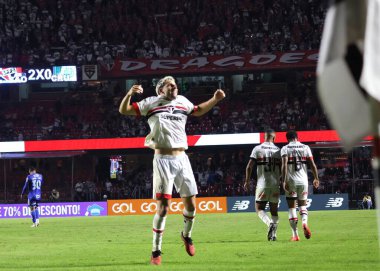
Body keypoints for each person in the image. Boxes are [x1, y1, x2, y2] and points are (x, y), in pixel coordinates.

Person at [119, 76, 225, 265]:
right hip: (162, 159)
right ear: (161, 89)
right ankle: (156, 251)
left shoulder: (183, 101)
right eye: (169, 84)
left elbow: (198, 110)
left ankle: (186, 235)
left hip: (182, 159)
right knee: (163, 208)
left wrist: (215, 99)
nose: (173, 85)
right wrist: (129, 94)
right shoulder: (151, 103)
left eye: (174, 83)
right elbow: (124, 109)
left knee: (192, 206)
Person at [281, 130, 319, 241]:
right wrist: (316, 178)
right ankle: (304, 223)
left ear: (287, 139)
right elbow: (312, 164)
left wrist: (284, 181)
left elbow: (284, 165)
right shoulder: (305, 147)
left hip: (291, 181)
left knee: (292, 207)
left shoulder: (285, 149)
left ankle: (295, 235)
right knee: (303, 205)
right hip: (303, 181)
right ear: (297, 137)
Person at [244, 129, 281, 241]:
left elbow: (249, 166)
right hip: (275, 184)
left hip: (262, 184)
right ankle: (273, 235)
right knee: (274, 211)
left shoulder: (258, 148)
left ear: (264, 137)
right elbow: (284, 168)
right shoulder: (279, 150)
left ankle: (269, 223)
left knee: (259, 209)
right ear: (274, 138)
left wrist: (247, 181)